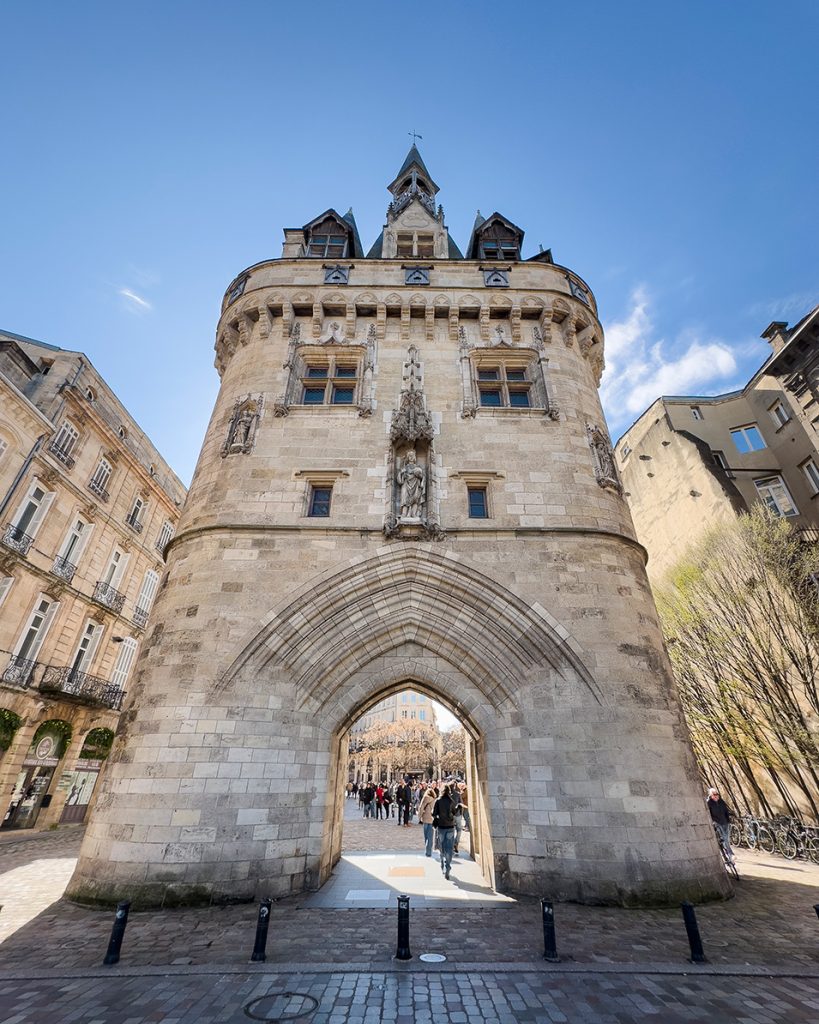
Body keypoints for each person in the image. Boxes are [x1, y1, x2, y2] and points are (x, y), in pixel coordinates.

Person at [433, 784, 458, 879]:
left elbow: (434, 813)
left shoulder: (438, 801)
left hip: (441, 827)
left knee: (442, 847)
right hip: (450, 826)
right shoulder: (451, 801)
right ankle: (448, 865)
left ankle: (443, 864)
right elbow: (454, 813)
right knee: (449, 848)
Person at [707, 787, 736, 865]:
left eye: (717, 794)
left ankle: (729, 856)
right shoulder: (709, 803)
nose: (716, 796)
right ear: (711, 795)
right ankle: (731, 855)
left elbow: (726, 810)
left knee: (726, 839)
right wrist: (714, 821)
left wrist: (729, 817)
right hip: (717, 823)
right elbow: (709, 814)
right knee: (725, 839)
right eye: (714, 794)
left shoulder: (721, 801)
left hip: (725, 822)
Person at [418, 786, 437, 857]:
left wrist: (419, 817)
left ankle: (427, 850)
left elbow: (421, 807)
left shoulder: (425, 798)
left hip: (425, 819)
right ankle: (429, 851)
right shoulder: (434, 800)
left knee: (426, 836)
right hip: (432, 819)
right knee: (430, 837)